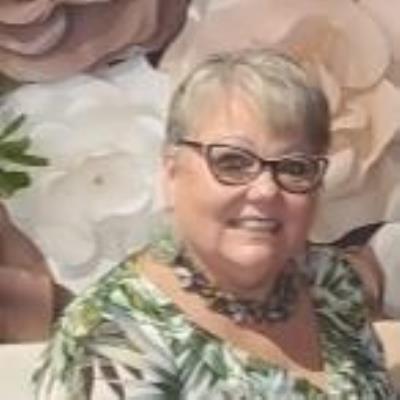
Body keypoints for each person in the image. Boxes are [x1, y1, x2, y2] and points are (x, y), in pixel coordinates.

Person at [34, 49, 397, 399]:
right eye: (233, 162)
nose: (266, 190)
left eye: (294, 167)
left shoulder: (328, 281)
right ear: (172, 174)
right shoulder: (112, 339)